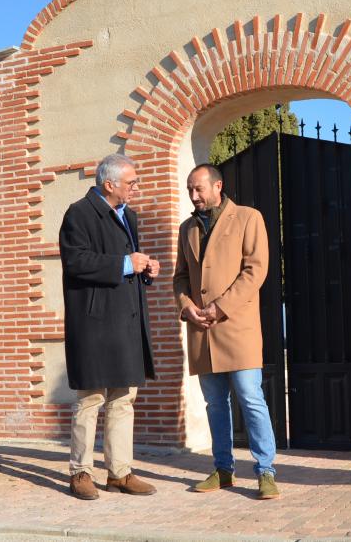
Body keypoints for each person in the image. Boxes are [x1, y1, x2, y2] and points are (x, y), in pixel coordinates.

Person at [173, 163, 279, 500]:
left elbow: (255, 269)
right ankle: (222, 470)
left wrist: (222, 306)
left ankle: (266, 471)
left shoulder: (248, 218)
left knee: (251, 398)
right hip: (201, 331)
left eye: (198, 188)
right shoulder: (186, 228)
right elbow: (180, 277)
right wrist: (186, 305)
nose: (194, 195)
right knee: (215, 404)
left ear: (217, 186)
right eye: (190, 189)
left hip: (237, 326)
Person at [59, 153, 160, 500]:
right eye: (131, 182)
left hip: (126, 323)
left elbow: (127, 265)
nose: (136, 187)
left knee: (123, 398)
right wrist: (124, 264)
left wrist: (143, 269)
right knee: (91, 398)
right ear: (109, 184)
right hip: (95, 324)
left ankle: (120, 473)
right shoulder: (79, 213)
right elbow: (75, 261)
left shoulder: (128, 215)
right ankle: (81, 473)